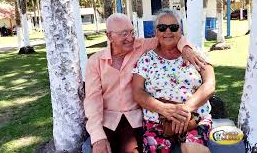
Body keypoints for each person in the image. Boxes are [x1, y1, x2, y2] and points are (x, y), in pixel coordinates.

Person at [84, 13, 207, 153]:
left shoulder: (141, 45)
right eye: (124, 34)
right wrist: (97, 136)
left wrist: (186, 48)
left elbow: (169, 36)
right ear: (109, 36)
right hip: (107, 119)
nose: (130, 38)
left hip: (133, 119)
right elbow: (93, 100)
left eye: (132, 32)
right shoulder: (95, 61)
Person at [132, 9, 215, 153]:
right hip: (157, 120)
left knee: (193, 149)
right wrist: (164, 109)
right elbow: (137, 92)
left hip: (194, 117)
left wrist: (185, 109)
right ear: (156, 32)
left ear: (180, 30)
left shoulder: (195, 53)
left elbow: (209, 84)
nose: (168, 31)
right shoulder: (146, 59)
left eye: (174, 27)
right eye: (162, 28)